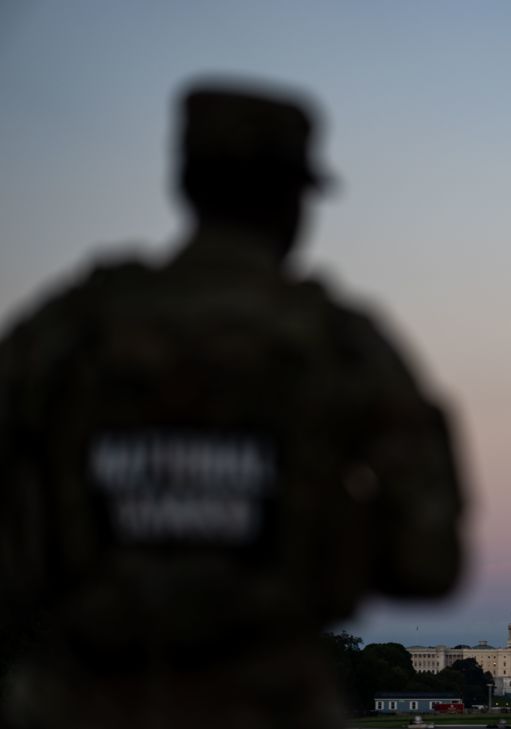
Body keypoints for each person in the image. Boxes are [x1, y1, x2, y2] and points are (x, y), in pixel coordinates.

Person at [0, 81, 464, 729]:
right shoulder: (338, 342)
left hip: (71, 697)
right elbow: (428, 558)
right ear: (295, 202)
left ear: (184, 182)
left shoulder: (65, 330)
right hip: (269, 698)